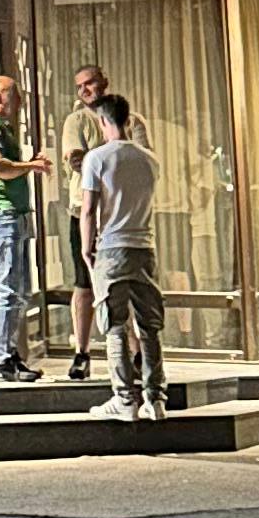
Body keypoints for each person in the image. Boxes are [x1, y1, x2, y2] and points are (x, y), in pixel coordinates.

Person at [75, 90, 169, 422]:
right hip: (144, 247)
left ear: (102, 121)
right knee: (149, 326)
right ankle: (155, 399)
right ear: (128, 120)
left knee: (115, 325)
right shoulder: (149, 159)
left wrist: (88, 249)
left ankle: (124, 398)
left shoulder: (96, 159)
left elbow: (88, 210)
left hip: (111, 248)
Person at [0, 73, 46, 382]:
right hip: (1, 215)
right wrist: (32, 166)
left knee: (18, 289)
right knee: (9, 288)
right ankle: (1, 360)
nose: (21, 101)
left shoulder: (1, 127)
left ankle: (10, 354)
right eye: (16, 95)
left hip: (11, 215)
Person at [56, 62, 111, 382]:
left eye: (89, 84)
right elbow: (75, 159)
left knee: (122, 281)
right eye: (79, 86)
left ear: (103, 83)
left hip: (118, 213)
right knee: (83, 283)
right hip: (84, 210)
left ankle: (134, 351)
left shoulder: (125, 117)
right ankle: (83, 351)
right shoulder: (76, 120)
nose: (84, 91)